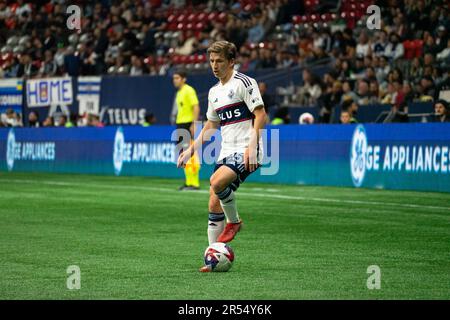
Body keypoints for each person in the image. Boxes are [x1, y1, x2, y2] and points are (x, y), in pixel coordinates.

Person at [177, 41, 267, 272]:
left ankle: (234, 221)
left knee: (216, 182)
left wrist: (252, 146)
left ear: (231, 62)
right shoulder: (214, 92)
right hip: (227, 150)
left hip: (248, 148)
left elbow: (261, 114)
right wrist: (190, 149)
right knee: (213, 199)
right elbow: (210, 125)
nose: (214, 66)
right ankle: (213, 257)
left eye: (219, 61)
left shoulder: (244, 83)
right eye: (212, 61)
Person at [171, 70, 201, 191]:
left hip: (187, 124)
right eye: (174, 78)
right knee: (183, 153)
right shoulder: (179, 93)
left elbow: (196, 107)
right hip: (181, 123)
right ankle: (189, 182)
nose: (175, 80)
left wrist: (194, 124)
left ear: (184, 79)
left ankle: (195, 183)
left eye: (177, 78)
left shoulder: (189, 90)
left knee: (190, 153)